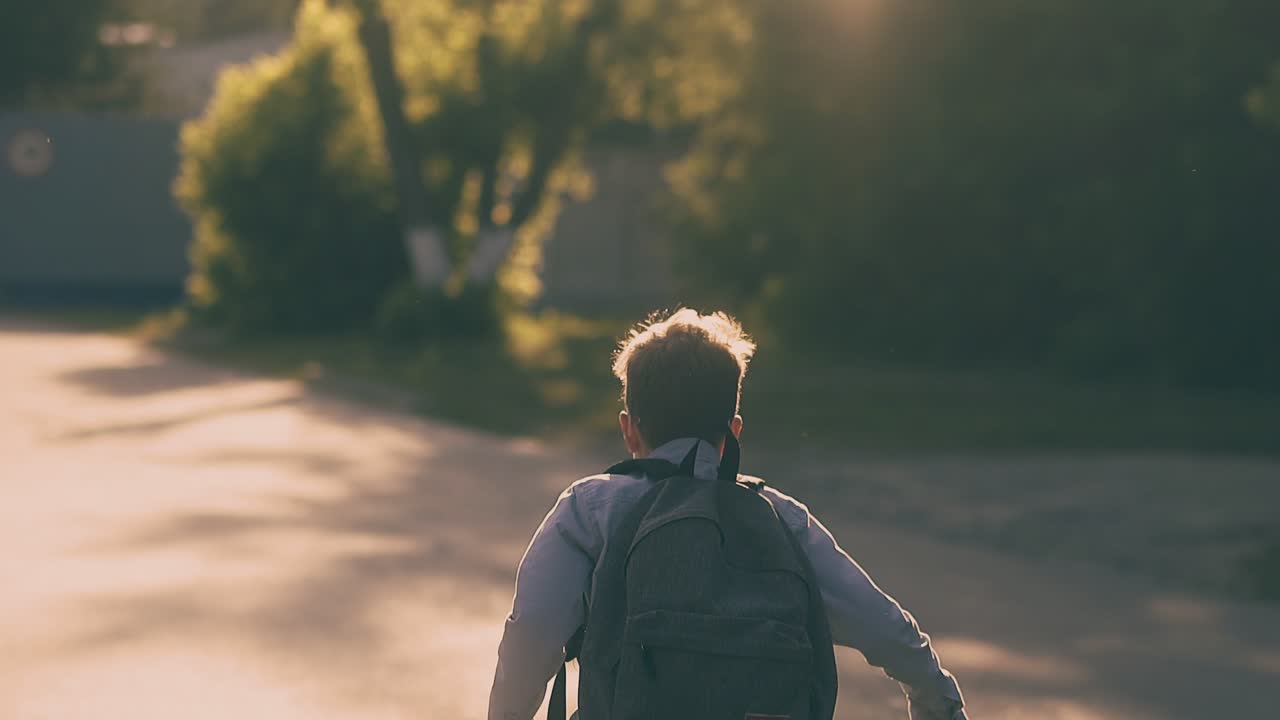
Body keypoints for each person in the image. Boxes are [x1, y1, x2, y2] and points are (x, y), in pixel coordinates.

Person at [488, 309, 968, 720]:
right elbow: (885, 627)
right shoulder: (780, 519)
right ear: (733, 430)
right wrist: (939, 703)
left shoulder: (590, 510)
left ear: (629, 430)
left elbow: (531, 635)